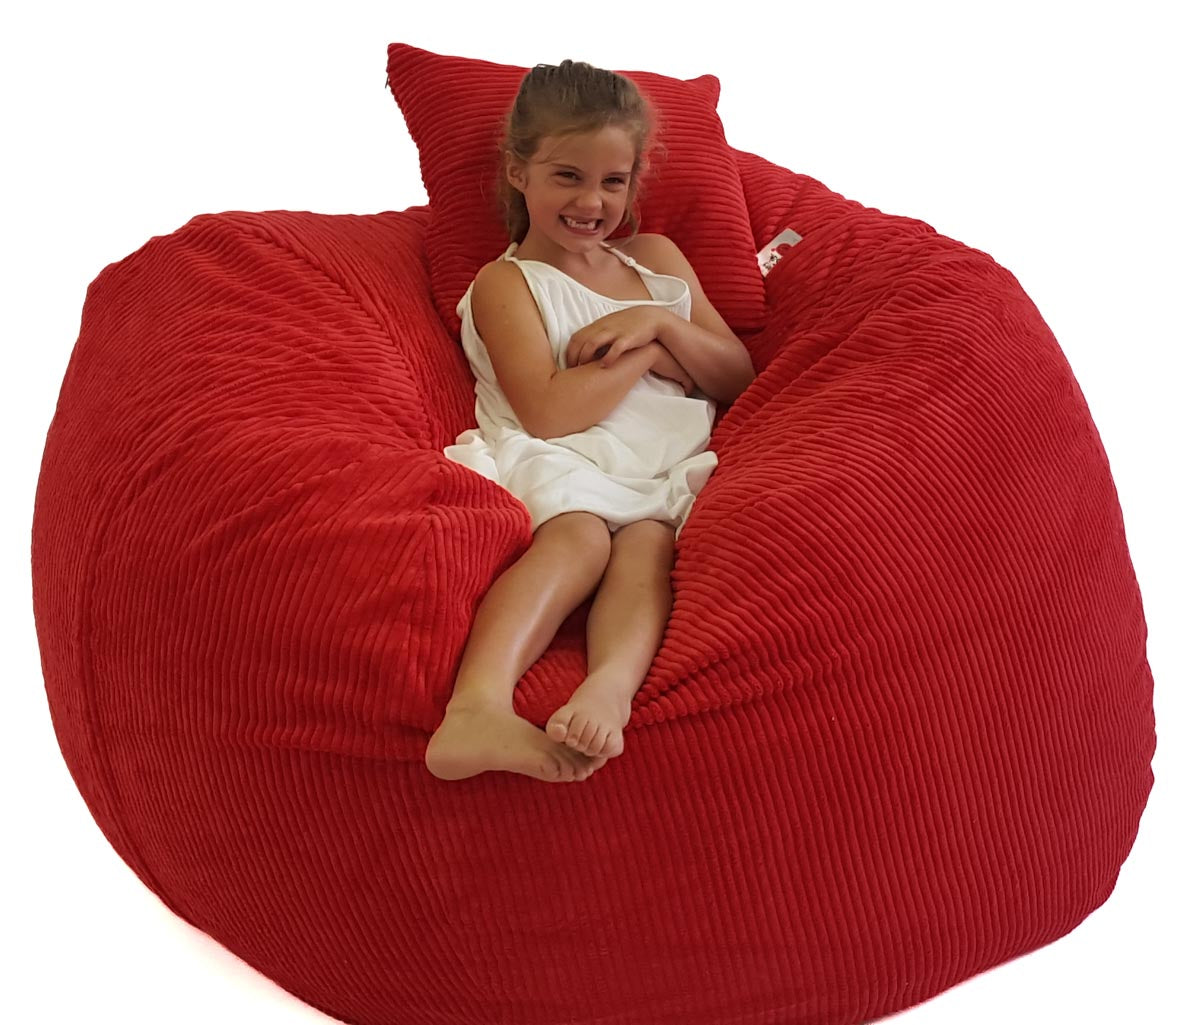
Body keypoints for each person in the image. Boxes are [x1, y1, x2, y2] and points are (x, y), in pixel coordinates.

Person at [425, 60, 756, 785]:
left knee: (648, 546)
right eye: (567, 176)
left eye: (613, 181)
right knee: (579, 536)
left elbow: (736, 374)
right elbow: (549, 413)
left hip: (657, 460)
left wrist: (656, 325)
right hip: (560, 453)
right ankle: (475, 706)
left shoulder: (655, 261)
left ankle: (610, 686)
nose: (591, 201)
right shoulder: (508, 281)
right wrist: (648, 357)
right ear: (519, 172)